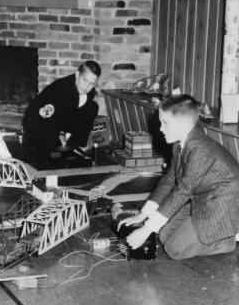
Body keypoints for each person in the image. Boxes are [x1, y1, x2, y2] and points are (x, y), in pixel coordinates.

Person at [119, 94, 239, 260]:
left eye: (165, 123)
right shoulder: (180, 142)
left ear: (183, 125)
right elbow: (169, 180)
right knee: (164, 236)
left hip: (223, 202)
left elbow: (182, 190)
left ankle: (228, 239)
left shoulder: (199, 148)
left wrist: (145, 229)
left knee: (175, 250)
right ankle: (212, 232)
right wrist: (143, 215)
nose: (161, 129)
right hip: (204, 196)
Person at [22, 60, 101, 158]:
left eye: (91, 83)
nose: (87, 87)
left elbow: (77, 111)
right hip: (38, 121)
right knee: (52, 156)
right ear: (77, 75)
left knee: (92, 107)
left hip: (60, 119)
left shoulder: (90, 92)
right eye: (85, 80)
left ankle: (76, 145)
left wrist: (68, 134)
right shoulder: (61, 88)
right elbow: (51, 105)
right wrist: (47, 110)